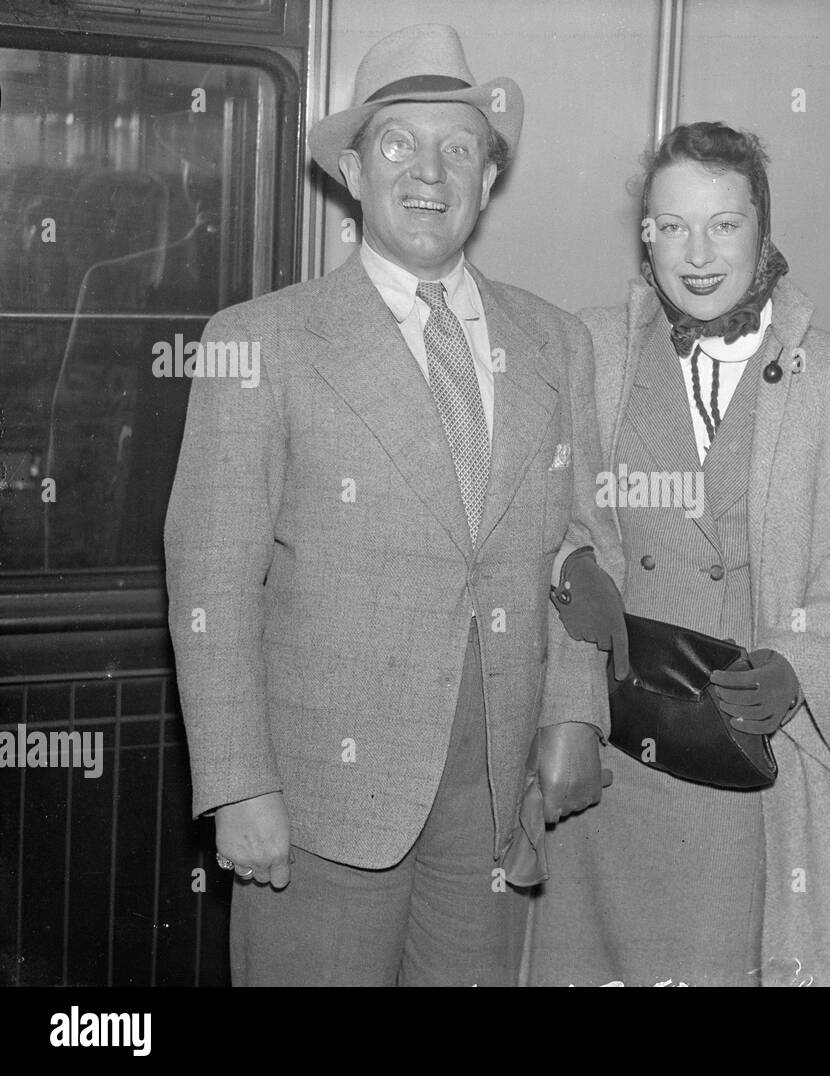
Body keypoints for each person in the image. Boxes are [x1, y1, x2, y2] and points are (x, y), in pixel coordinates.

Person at [164, 24, 622, 986]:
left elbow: (578, 544)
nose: (429, 172)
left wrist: (574, 710)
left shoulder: (553, 343)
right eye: (398, 144)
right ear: (353, 170)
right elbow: (210, 574)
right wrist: (238, 784)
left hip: (493, 799)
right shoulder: (262, 342)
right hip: (322, 800)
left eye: (459, 148)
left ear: (488, 180)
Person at [528, 122, 830, 987]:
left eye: (724, 223)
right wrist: (571, 569)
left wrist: (804, 667)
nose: (698, 252)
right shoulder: (586, 354)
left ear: (764, 229)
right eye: (672, 225)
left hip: (757, 763)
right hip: (616, 758)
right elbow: (543, 521)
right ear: (643, 233)